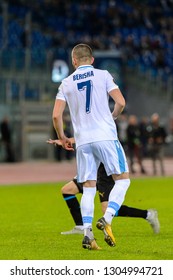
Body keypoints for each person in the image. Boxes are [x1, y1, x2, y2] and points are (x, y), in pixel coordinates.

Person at [52, 43, 131, 250]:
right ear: (92, 60)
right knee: (122, 179)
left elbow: (56, 115)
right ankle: (107, 218)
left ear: (74, 61)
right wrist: (111, 117)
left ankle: (88, 235)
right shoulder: (103, 75)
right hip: (105, 136)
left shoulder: (66, 83)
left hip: (83, 141)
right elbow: (120, 102)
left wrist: (63, 138)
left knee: (88, 187)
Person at [47, 138, 160, 236]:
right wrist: (65, 140)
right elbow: (86, 136)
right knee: (67, 190)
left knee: (107, 209)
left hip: (106, 170)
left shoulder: (104, 121)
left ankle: (148, 214)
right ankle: (80, 226)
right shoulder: (91, 120)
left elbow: (94, 136)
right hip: (92, 168)